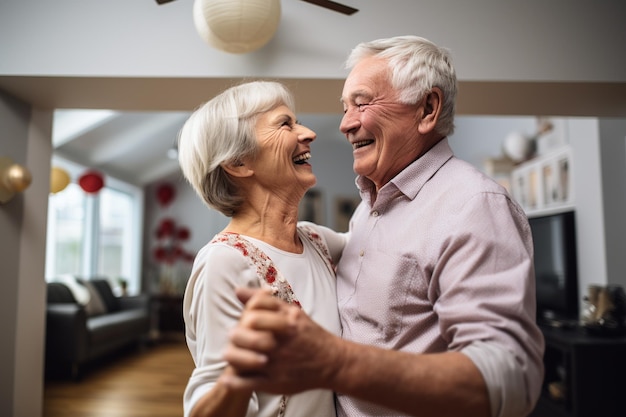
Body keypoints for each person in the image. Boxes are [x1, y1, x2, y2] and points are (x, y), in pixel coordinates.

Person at [222, 36, 545, 417]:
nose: (345, 124)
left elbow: (510, 377)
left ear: (427, 108)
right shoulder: (369, 207)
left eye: (362, 103)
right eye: (345, 108)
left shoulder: (474, 206)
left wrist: (336, 362)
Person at [177, 80, 347, 417]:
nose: (309, 133)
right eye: (286, 123)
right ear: (239, 162)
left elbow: (380, 237)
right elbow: (209, 400)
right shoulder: (224, 262)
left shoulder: (316, 241)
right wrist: (240, 375)